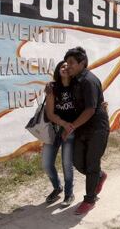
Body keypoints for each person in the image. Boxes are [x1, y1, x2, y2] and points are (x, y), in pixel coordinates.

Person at [63, 47, 109, 215]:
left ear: (82, 63)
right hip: (83, 127)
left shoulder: (89, 80)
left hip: (97, 128)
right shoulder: (74, 80)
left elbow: (90, 110)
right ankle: (99, 175)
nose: (68, 66)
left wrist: (71, 127)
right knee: (77, 161)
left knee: (91, 163)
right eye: (67, 63)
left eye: (72, 63)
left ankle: (89, 199)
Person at [43, 60, 76, 207]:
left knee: (67, 164)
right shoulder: (53, 87)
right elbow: (50, 114)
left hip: (71, 131)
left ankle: (69, 194)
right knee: (46, 163)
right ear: (58, 69)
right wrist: (63, 124)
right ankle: (57, 187)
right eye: (62, 66)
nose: (65, 68)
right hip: (54, 130)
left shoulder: (78, 86)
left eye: (68, 66)